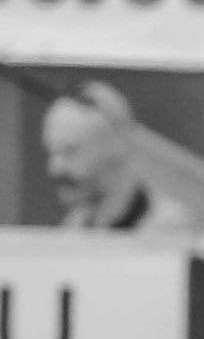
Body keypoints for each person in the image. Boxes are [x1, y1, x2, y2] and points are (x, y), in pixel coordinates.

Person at [44, 82, 193, 231]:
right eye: (52, 152)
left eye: (71, 151)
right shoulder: (74, 226)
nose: (55, 168)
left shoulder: (167, 227)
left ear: (117, 145)